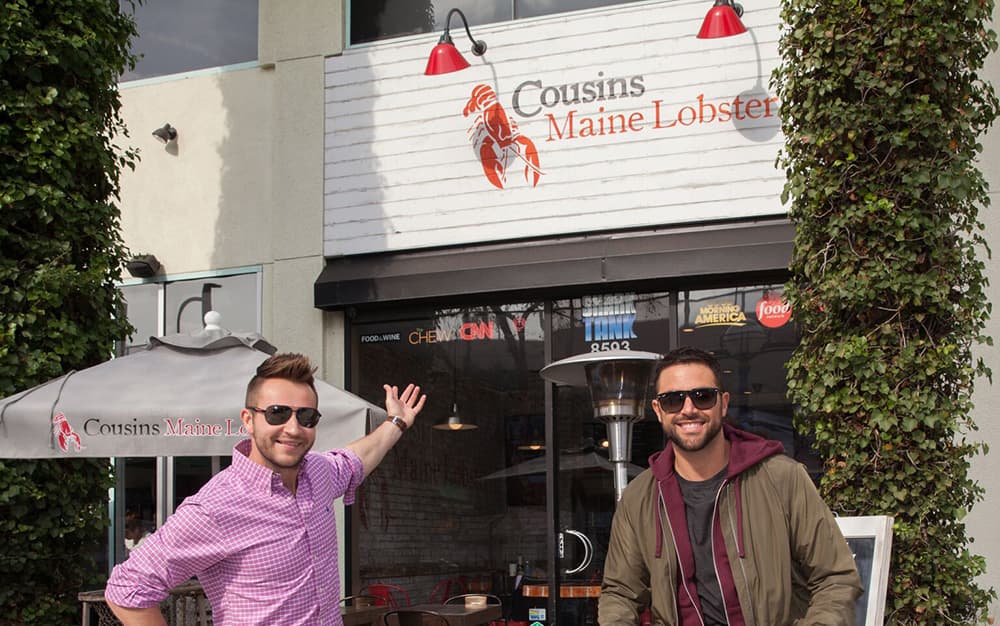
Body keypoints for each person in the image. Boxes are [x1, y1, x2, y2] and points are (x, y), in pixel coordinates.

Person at [104, 352, 426, 626]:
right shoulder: (215, 507)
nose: (293, 428)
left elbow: (356, 459)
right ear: (248, 419)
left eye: (307, 416)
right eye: (277, 413)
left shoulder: (319, 473)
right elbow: (127, 589)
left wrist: (396, 423)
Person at [598, 346, 862, 625]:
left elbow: (835, 578)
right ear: (659, 410)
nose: (689, 409)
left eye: (703, 397)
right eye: (673, 400)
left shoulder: (782, 478)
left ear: (723, 404)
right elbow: (621, 593)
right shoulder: (640, 497)